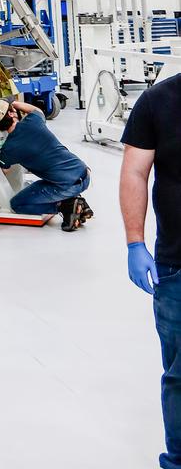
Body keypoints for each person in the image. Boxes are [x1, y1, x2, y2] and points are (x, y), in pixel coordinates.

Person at [120, 76, 181, 469]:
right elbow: (134, 173)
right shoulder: (158, 101)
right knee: (179, 373)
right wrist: (135, 242)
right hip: (177, 264)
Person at [0, 95, 93, 230]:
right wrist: (12, 102)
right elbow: (36, 110)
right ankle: (74, 202)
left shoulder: (9, 149)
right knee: (38, 185)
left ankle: (65, 206)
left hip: (66, 185)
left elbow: (2, 173)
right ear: (12, 113)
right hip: (84, 172)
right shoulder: (33, 121)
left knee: (17, 204)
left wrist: (0, 159)